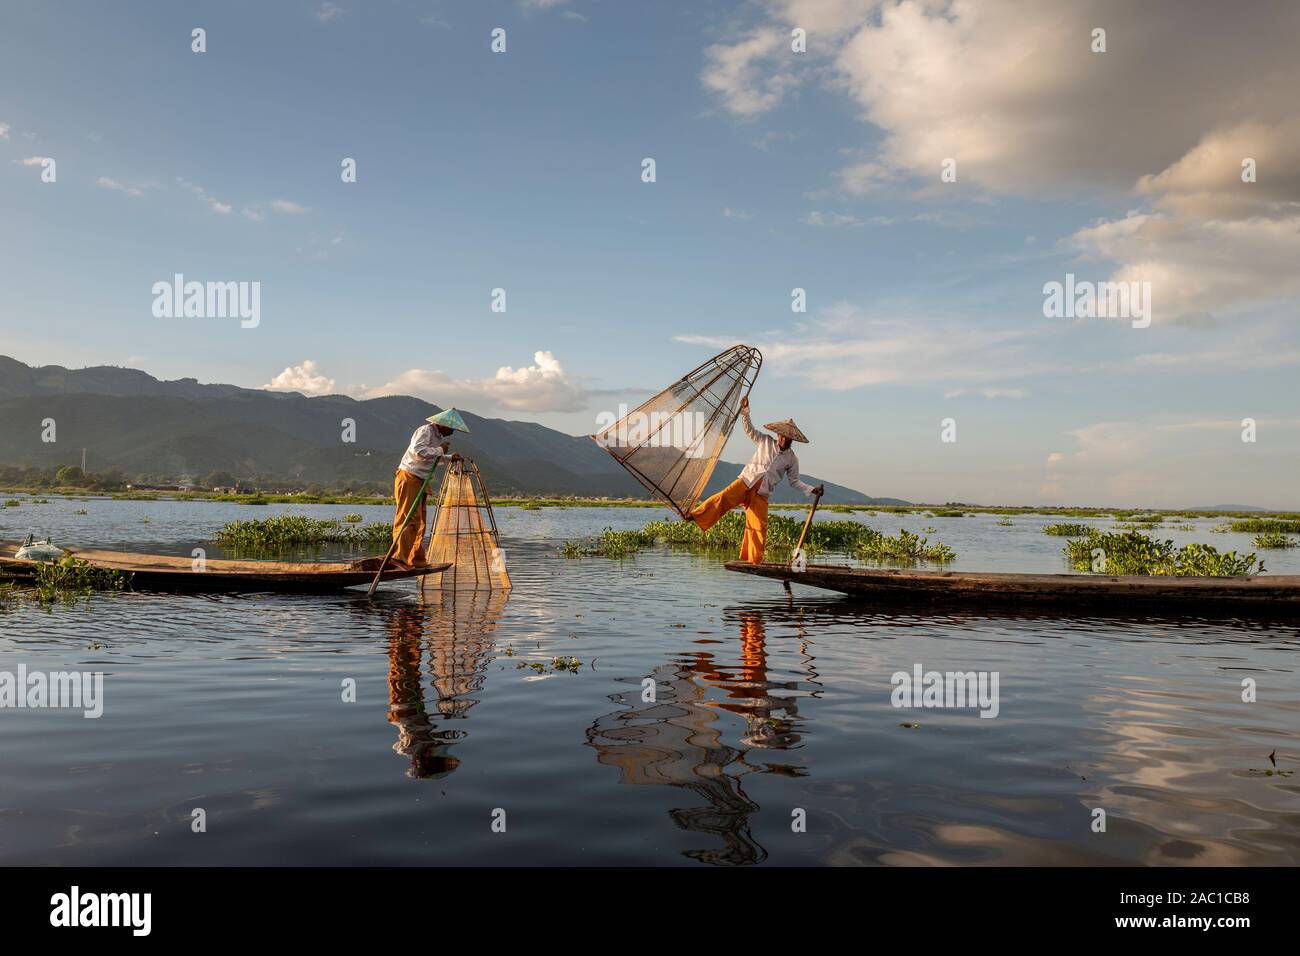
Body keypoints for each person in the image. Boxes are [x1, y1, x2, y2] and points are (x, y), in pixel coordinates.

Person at [686, 396, 823, 564]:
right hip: (746, 482)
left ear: (792, 439)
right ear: (778, 434)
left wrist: (811, 489)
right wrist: (745, 412)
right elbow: (750, 430)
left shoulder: (792, 459)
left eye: (788, 438)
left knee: (759, 527)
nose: (785, 439)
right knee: (722, 499)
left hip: (762, 493)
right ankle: (695, 516)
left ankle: (754, 561)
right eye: (782, 436)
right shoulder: (765, 441)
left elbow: (794, 481)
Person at [392, 408, 469, 568]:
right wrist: (441, 450)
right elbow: (418, 452)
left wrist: (448, 457)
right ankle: (399, 557)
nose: (453, 432)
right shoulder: (425, 430)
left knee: (420, 521)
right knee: (408, 518)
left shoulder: (437, 437)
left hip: (420, 479)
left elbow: (431, 459)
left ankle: (416, 559)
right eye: (452, 428)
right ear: (443, 425)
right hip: (409, 476)